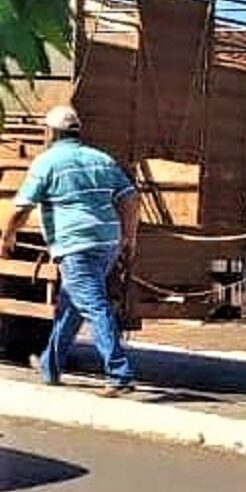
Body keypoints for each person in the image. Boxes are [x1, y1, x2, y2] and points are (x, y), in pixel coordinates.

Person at [0, 105, 140, 398]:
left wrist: (7, 238)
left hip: (76, 245)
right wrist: (129, 236)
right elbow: (130, 197)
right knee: (70, 306)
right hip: (106, 244)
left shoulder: (46, 162)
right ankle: (51, 366)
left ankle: (119, 373)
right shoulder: (101, 159)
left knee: (94, 305)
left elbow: (21, 207)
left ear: (50, 133)